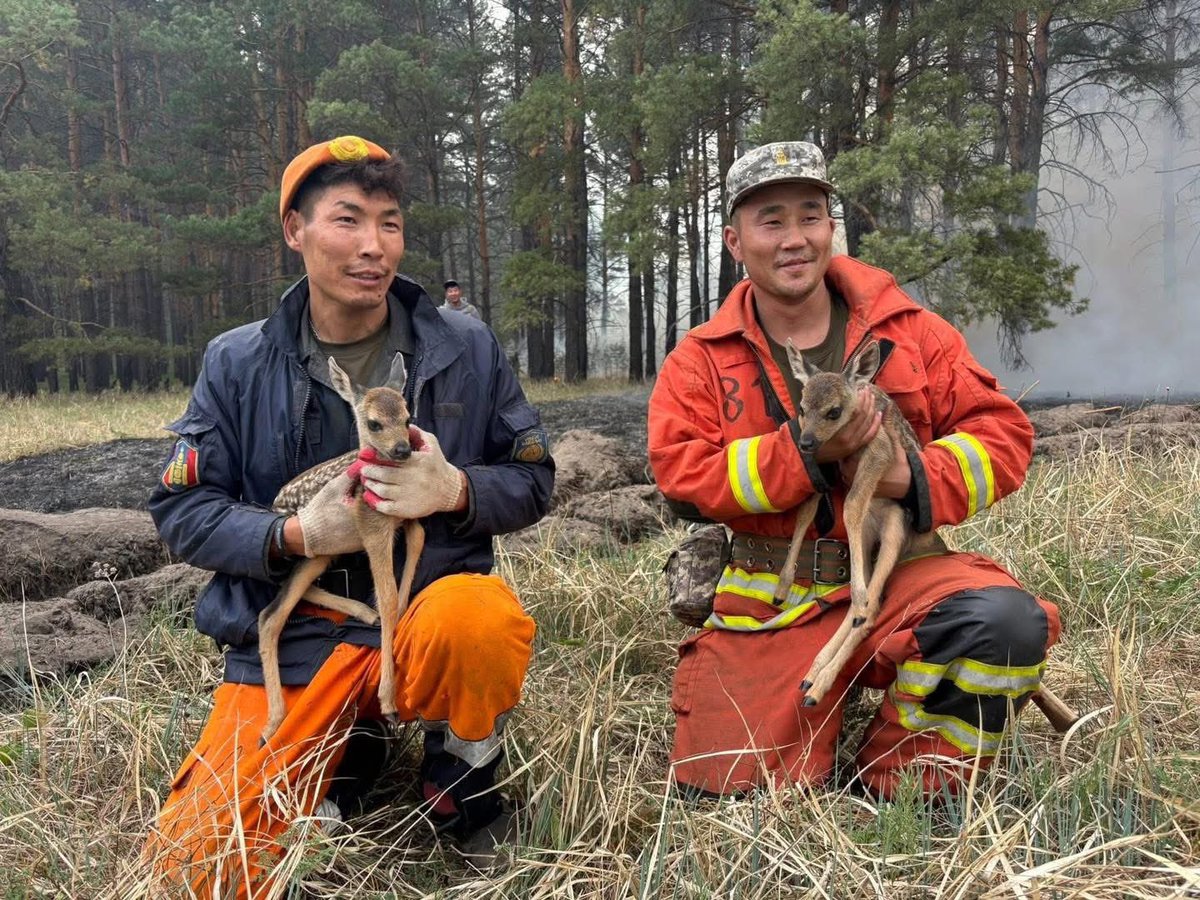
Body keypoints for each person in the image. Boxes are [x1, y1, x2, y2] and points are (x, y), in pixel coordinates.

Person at [144, 135, 554, 896]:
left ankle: (462, 772)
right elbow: (183, 508)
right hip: (300, 634)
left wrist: (457, 490)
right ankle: (351, 744)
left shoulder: (463, 345)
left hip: (426, 609)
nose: (374, 246)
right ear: (294, 229)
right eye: (348, 220)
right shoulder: (237, 362)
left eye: (390, 223)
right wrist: (290, 535)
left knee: (481, 619)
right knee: (200, 863)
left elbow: (534, 480)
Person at [647, 141, 1061, 799]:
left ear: (831, 228)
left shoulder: (909, 329)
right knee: (723, 792)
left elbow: (1003, 437)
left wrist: (912, 478)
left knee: (1003, 624)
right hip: (772, 594)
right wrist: (803, 455)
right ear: (735, 240)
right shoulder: (700, 360)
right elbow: (680, 478)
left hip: (902, 575)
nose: (794, 239)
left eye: (810, 216)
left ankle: (903, 781)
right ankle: (789, 724)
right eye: (771, 220)